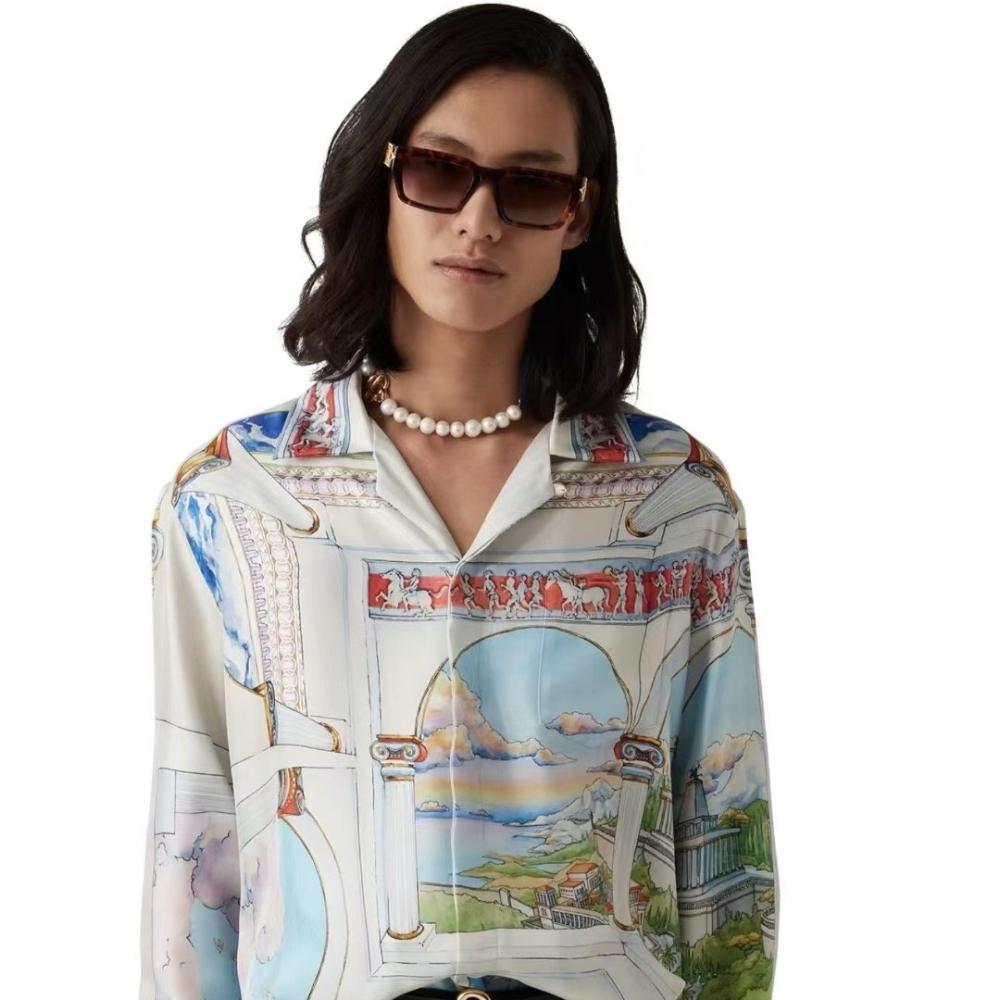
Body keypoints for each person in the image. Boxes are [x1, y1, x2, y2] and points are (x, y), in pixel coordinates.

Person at [137, 5, 780, 999]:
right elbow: (193, 846)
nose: (479, 220)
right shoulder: (235, 497)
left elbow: (731, 865)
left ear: (578, 214)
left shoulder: (677, 501)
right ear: (384, 177)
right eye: (441, 171)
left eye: (530, 185)